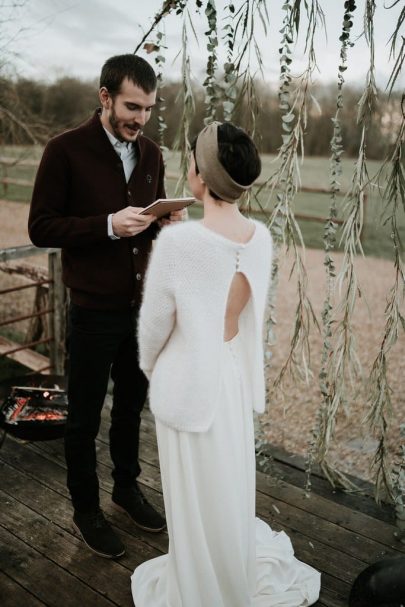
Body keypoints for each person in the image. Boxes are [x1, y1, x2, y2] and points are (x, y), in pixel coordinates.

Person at [132, 121, 321, 606]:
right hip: (230, 376)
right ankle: (228, 567)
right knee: (226, 478)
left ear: (199, 174)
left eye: (192, 159)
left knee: (192, 490)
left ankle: (198, 583)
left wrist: (154, 368)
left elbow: (153, 327)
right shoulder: (258, 237)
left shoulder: (177, 244)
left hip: (187, 377)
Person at [28, 54, 182, 559]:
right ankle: (87, 508)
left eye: (149, 109)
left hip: (143, 310)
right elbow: (42, 227)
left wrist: (165, 224)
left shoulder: (154, 154)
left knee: (131, 410)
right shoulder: (64, 151)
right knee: (84, 417)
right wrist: (107, 225)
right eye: (132, 107)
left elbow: (149, 217)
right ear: (104, 97)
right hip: (94, 310)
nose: (141, 118)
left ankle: (125, 487)